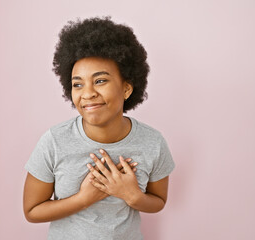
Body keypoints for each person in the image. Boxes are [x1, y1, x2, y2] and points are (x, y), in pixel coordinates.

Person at [23, 16, 175, 240]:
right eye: (78, 84)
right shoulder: (54, 141)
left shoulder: (153, 142)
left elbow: (158, 202)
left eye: (100, 80)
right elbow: (32, 211)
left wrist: (132, 196)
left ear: (126, 88)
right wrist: (84, 198)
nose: (88, 93)